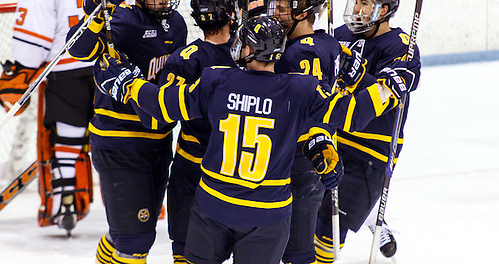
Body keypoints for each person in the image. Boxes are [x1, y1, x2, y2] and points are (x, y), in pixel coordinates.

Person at [92, 15, 418, 264]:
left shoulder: (218, 81)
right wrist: (390, 85)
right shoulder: (299, 90)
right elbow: (351, 113)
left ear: (247, 49)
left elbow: (164, 104)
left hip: (214, 207)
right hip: (268, 216)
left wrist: (126, 85)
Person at [0, 0, 124, 236]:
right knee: (121, 138)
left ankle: (65, 200)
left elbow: (32, 39)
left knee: (67, 137)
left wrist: (22, 67)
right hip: (117, 70)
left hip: (67, 69)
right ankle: (130, 202)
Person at [67, 0, 187, 263]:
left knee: (136, 231)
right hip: (119, 142)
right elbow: (77, 49)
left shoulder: (176, 24)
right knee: (136, 238)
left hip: (159, 143)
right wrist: (97, 12)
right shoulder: (119, 20)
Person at [314, 0, 422, 262]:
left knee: (328, 228)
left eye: (366, 4)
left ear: (384, 10)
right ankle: (374, 218)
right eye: (357, 2)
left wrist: (358, 75)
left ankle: (372, 219)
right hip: (334, 139)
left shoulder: (399, 46)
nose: (358, 10)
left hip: (371, 153)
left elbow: (389, 97)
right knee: (307, 215)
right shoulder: (340, 34)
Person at [158, 0, 239, 263]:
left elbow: (162, 113)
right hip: (239, 170)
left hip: (191, 169)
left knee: (186, 252)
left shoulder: (183, 58)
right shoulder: (248, 55)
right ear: (231, 14)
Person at [266, 0, 342, 264]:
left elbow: (308, 108)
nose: (277, 11)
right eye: (278, 3)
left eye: (286, 6)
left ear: (305, 12)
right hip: (303, 158)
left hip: (300, 160)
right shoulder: (328, 45)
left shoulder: (301, 54)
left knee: (295, 251)